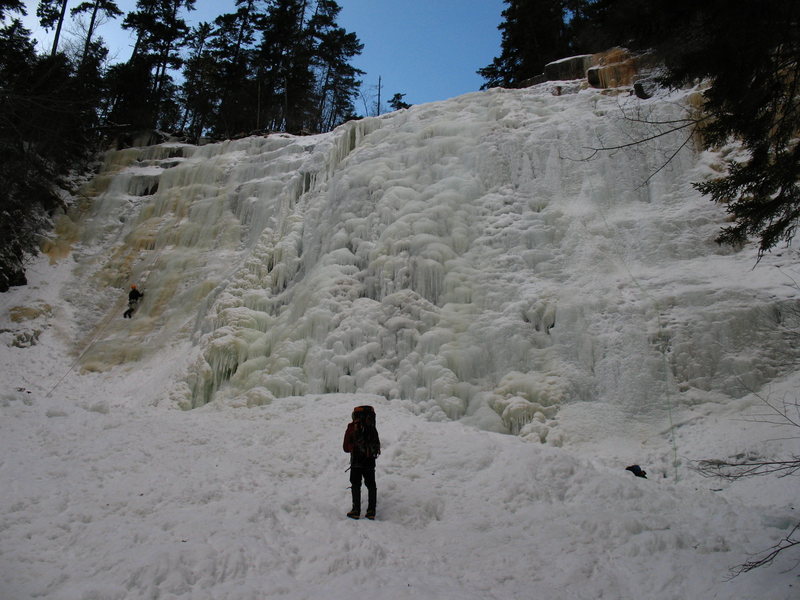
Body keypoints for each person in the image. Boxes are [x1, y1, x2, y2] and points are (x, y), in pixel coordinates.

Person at [343, 405, 380, 520]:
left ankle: (356, 510)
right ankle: (371, 511)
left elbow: (345, 447)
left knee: (355, 484)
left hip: (356, 462)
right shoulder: (372, 428)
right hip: (369, 461)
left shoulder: (352, 427)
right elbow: (377, 445)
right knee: (371, 485)